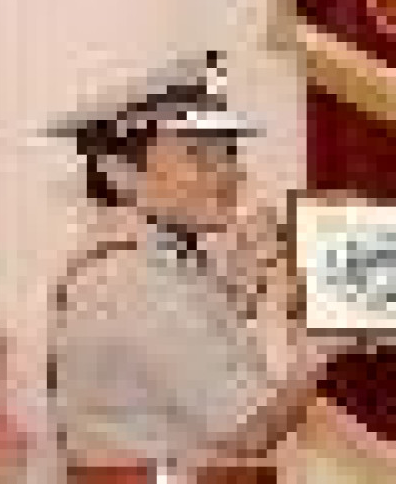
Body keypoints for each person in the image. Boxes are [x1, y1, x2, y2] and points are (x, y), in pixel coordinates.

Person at [47, 51, 353, 484]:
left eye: (228, 153)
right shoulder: (135, 282)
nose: (226, 173)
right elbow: (251, 432)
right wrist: (317, 351)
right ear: (120, 174)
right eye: (197, 155)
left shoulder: (150, 264)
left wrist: (239, 290)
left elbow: (182, 385)